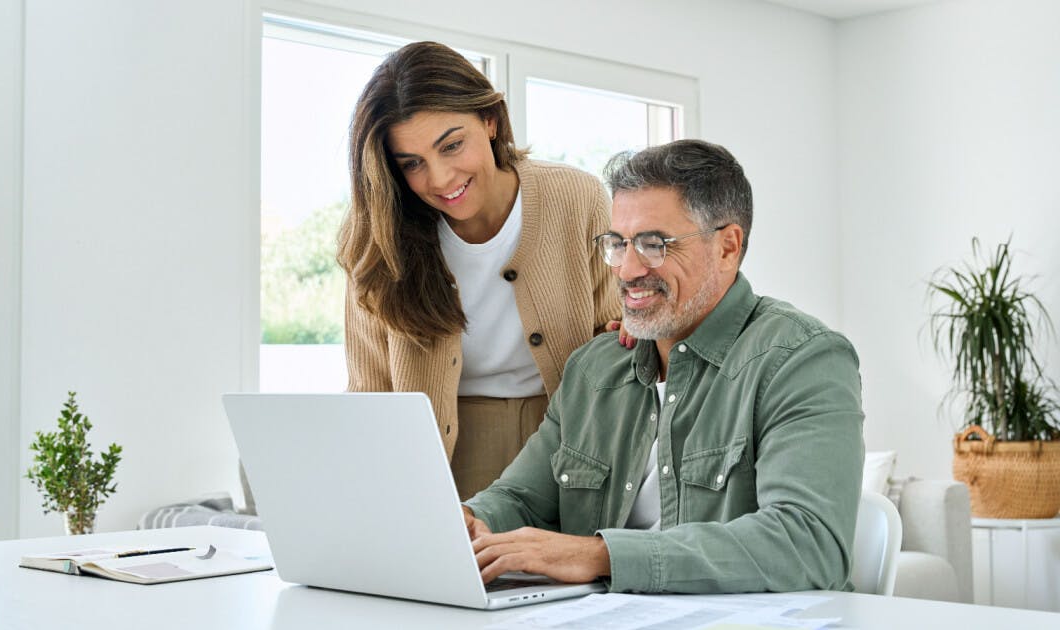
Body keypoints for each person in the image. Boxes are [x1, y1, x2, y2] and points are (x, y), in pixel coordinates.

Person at [462, 139, 865, 594]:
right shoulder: (594, 370)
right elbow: (520, 498)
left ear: (728, 247)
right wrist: (471, 520)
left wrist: (599, 556)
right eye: (617, 243)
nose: (627, 270)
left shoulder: (802, 359)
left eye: (654, 244)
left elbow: (809, 545)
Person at [338, 41, 627, 500]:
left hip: (566, 443)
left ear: (490, 121)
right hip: (440, 455)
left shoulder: (579, 198)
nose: (439, 179)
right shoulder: (378, 234)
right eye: (411, 164)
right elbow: (370, 388)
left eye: (451, 145)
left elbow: (613, 336)